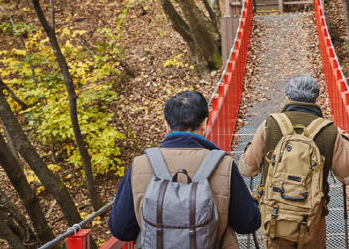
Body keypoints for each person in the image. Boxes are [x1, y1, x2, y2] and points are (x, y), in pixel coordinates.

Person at [108, 90, 260, 247]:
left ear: (166, 125)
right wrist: (251, 201)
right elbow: (248, 223)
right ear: (204, 124)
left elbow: (121, 230)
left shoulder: (141, 165)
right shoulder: (223, 165)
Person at [239, 75, 349, 248]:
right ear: (316, 97)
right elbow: (348, 177)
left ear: (288, 96)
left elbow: (246, 169)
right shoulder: (330, 132)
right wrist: (345, 142)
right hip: (312, 220)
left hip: (274, 218)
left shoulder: (270, 125)